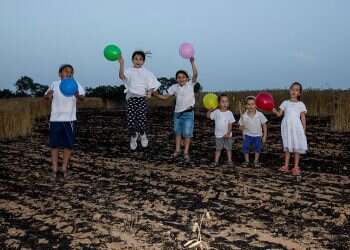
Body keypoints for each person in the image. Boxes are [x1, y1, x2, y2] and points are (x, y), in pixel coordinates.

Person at [44, 64, 85, 179]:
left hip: (69, 120)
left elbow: (82, 98)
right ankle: (54, 170)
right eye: (66, 71)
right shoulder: (54, 84)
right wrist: (49, 95)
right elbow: (46, 97)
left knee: (68, 145)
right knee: (54, 145)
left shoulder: (75, 84)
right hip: (55, 120)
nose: (68, 73)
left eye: (71, 72)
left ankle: (64, 169)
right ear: (60, 73)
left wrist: (78, 95)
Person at [154, 57, 198, 162]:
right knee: (178, 133)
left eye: (183, 77)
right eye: (179, 77)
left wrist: (192, 62)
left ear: (187, 78)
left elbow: (195, 74)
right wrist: (155, 95)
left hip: (188, 114)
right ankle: (177, 150)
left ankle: (186, 152)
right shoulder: (174, 87)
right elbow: (165, 97)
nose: (181, 79)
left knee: (187, 134)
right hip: (177, 114)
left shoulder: (190, 85)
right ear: (176, 79)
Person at [118, 51, 161, 150]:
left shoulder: (147, 72)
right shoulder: (129, 71)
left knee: (141, 120)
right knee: (131, 121)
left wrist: (150, 92)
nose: (138, 61)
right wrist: (121, 64)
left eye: (140, 59)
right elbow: (121, 76)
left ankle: (142, 134)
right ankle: (133, 137)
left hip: (141, 99)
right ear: (132, 60)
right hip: (131, 98)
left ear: (143, 61)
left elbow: (152, 84)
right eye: (136, 59)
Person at [273, 82, 307, 176]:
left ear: (299, 93)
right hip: (286, 127)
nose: (294, 91)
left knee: (296, 147)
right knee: (287, 146)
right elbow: (280, 114)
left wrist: (304, 129)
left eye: (296, 90)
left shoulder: (301, 104)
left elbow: (303, 117)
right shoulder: (285, 103)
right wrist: (275, 110)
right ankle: (286, 166)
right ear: (289, 90)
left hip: (296, 127)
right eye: (292, 89)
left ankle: (296, 167)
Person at [207, 94, 236, 167]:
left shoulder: (229, 113)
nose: (225, 103)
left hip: (228, 135)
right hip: (218, 135)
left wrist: (228, 132)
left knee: (228, 149)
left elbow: (230, 124)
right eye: (222, 101)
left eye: (226, 101)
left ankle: (229, 161)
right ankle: (216, 162)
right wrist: (210, 110)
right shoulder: (216, 112)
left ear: (228, 103)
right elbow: (208, 116)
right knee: (218, 149)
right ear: (219, 103)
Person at [239, 96, 268, 167]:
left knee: (258, 148)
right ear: (246, 106)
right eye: (248, 104)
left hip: (258, 135)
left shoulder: (259, 114)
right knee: (245, 147)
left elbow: (264, 125)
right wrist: (241, 127)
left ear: (256, 105)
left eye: (252, 104)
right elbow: (240, 127)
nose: (250, 106)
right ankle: (247, 161)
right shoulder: (244, 116)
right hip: (247, 135)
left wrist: (264, 136)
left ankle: (256, 161)